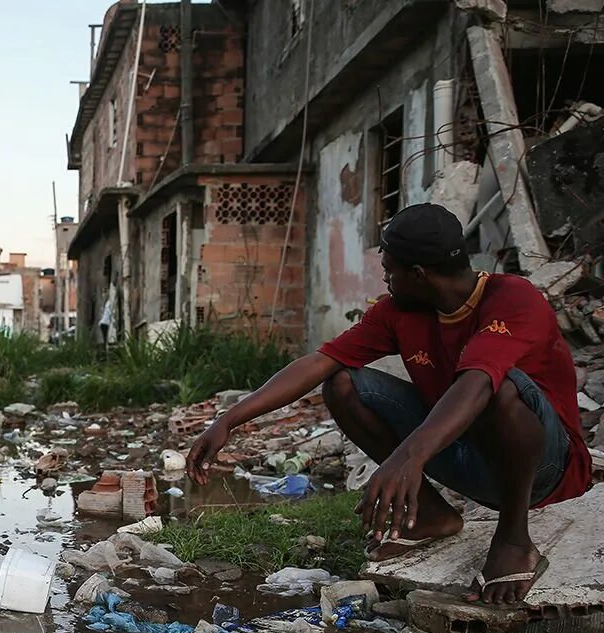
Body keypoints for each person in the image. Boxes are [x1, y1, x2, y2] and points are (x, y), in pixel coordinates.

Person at [187, 203, 591, 606]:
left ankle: (514, 539)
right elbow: (319, 363)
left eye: (389, 267)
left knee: (499, 386)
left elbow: (479, 382)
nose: (383, 275)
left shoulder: (513, 298)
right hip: (470, 455)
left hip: (544, 469)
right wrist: (229, 420)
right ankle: (432, 517)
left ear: (418, 275)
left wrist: (408, 457)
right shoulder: (400, 312)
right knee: (343, 383)